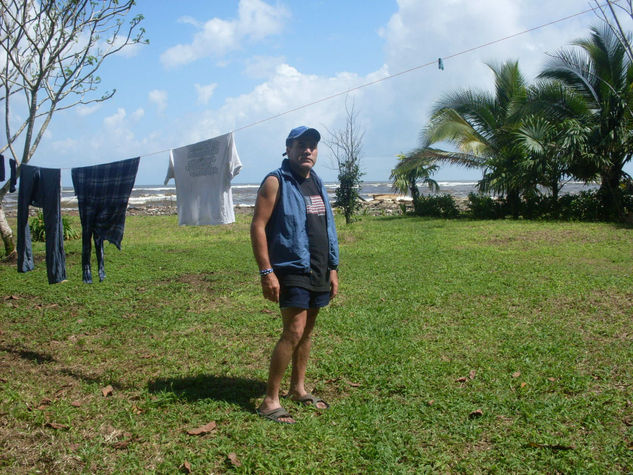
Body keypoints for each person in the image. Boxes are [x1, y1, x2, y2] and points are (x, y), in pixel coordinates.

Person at [250, 126, 339, 424]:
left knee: (308, 331)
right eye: (302, 144)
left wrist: (333, 267)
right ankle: (269, 400)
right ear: (288, 147)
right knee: (294, 330)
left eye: (312, 145)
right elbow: (258, 226)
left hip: (318, 267)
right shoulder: (276, 181)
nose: (308, 150)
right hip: (291, 267)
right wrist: (267, 272)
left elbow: (327, 227)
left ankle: (298, 388)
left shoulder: (316, 181)